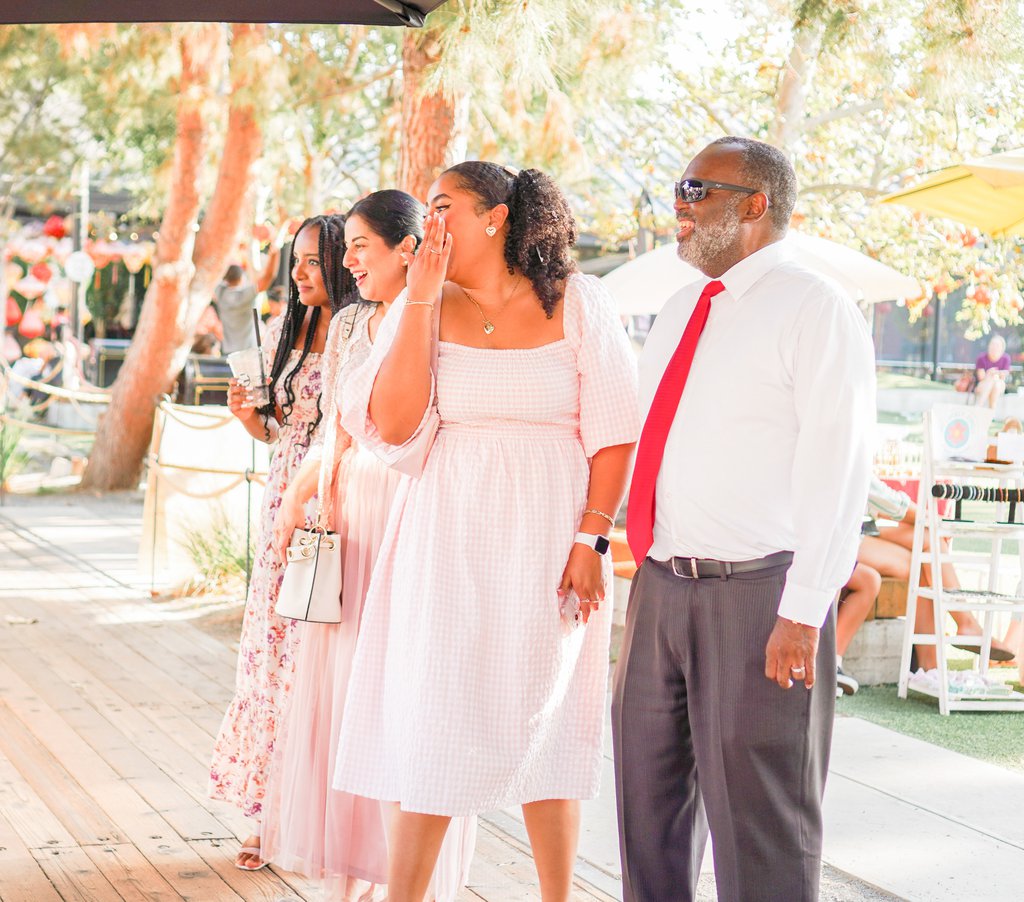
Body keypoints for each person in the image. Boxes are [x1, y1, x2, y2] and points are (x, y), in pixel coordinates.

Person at [333, 162, 640, 902]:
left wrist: (591, 542)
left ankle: (556, 897)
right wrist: (423, 299)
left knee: (548, 711)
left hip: (551, 536)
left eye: (443, 205)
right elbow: (399, 425)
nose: (428, 220)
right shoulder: (422, 303)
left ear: (496, 216)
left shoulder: (577, 301)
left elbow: (614, 432)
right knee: (435, 705)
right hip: (445, 532)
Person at [612, 136, 876, 902]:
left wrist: (802, 611)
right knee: (647, 814)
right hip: (661, 588)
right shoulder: (679, 307)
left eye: (698, 190)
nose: (679, 206)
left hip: (763, 598)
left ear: (755, 205)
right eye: (678, 189)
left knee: (763, 828)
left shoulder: (815, 308)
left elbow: (838, 468)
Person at [261, 190, 476, 899]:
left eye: (361, 247)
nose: (347, 260)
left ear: (407, 249)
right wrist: (304, 491)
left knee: (405, 694)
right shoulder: (353, 323)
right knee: (345, 690)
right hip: (350, 507)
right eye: (346, 246)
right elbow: (337, 428)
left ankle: (411, 876)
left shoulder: (444, 316)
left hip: (409, 508)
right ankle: (354, 872)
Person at [209, 214, 348, 871]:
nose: (299, 272)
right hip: (278, 513)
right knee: (269, 658)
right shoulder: (290, 333)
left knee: (310, 660)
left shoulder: (360, 334)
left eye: (314, 261)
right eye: (297, 259)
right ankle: (265, 814)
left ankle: (313, 813)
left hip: (331, 515)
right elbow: (278, 432)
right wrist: (249, 418)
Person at [855, 478, 1015, 672]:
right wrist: (936, 520)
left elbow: (882, 503)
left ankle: (935, 661)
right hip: (847, 537)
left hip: (863, 528)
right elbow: (888, 502)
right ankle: (947, 647)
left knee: (927, 549)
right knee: (928, 546)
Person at [215, 242, 280, 355]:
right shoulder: (246, 295)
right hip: (249, 351)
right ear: (241, 278)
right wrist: (275, 253)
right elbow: (269, 277)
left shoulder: (220, 293)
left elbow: (216, 270)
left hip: (228, 352)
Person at [974, 334, 1011, 408]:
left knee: (996, 381)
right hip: (983, 384)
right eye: (992, 344)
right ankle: (992, 411)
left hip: (999, 385)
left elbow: (1005, 376)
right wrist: (988, 374)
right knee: (993, 381)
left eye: (997, 345)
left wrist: (996, 374)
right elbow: (981, 377)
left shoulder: (1006, 358)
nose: (994, 347)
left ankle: (978, 406)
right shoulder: (981, 358)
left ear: (1002, 348)